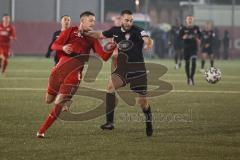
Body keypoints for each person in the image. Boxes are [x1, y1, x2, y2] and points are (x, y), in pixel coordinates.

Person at [37, 11, 116, 138]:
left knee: (59, 102)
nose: (93, 23)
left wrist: (112, 46)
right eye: (91, 20)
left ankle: (41, 131)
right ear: (82, 21)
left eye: (94, 21)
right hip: (59, 70)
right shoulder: (71, 31)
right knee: (48, 100)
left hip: (74, 74)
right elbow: (54, 45)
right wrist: (62, 48)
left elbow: (104, 57)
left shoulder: (92, 37)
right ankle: (65, 97)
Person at [86, 10, 154, 136]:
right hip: (123, 68)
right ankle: (110, 123)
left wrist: (149, 43)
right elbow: (99, 34)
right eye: (127, 20)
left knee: (142, 102)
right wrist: (84, 32)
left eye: (131, 20)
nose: (129, 22)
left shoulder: (139, 30)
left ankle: (149, 123)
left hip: (137, 69)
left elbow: (147, 39)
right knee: (110, 87)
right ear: (121, 20)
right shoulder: (115, 31)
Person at [179, 16, 201, 85]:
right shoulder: (183, 28)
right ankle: (188, 78)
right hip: (186, 48)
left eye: (191, 19)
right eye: (188, 20)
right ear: (186, 21)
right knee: (187, 63)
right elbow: (179, 37)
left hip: (194, 48)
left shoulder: (196, 28)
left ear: (193, 21)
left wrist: (198, 39)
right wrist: (183, 37)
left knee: (194, 61)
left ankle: (192, 77)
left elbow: (200, 35)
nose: (190, 21)